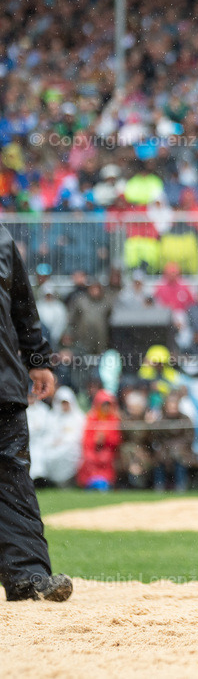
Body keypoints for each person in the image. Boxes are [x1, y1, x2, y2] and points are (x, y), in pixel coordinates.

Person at [0, 223, 72, 602]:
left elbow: (21, 305)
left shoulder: (2, 238)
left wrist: (38, 359)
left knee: (13, 481)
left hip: (4, 384)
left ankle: (27, 576)